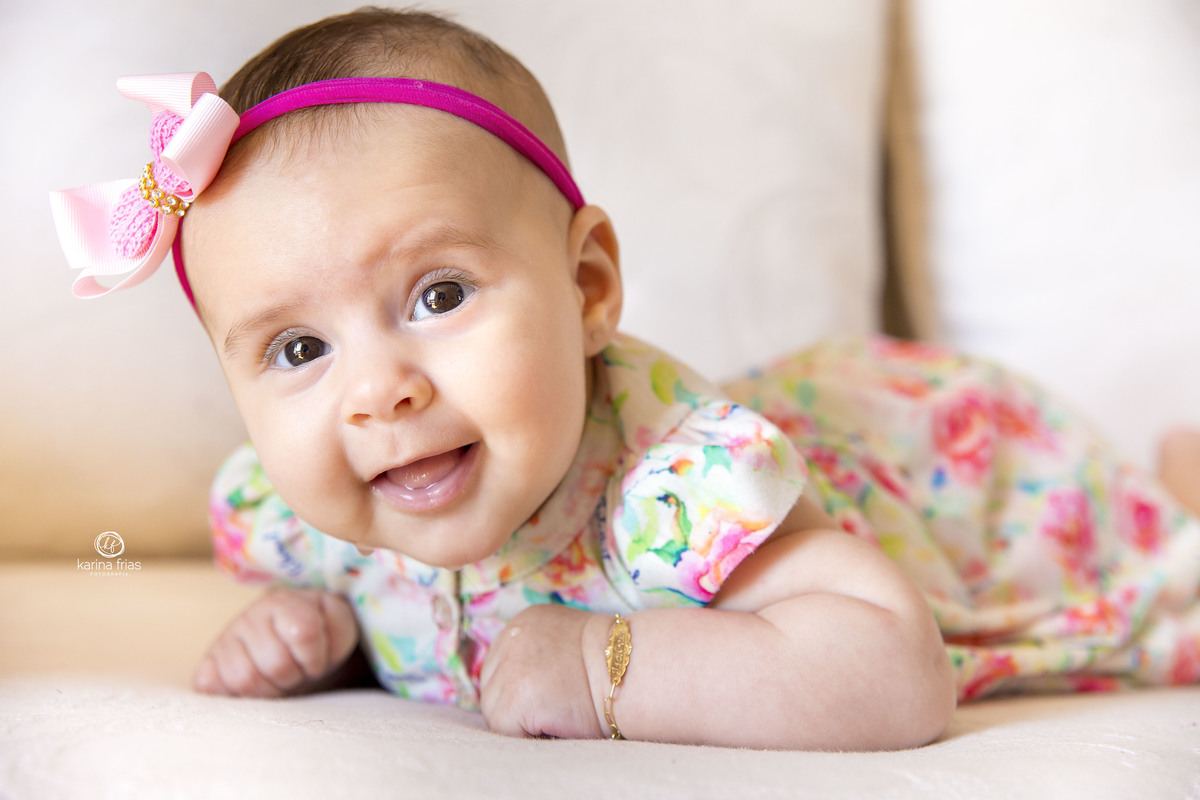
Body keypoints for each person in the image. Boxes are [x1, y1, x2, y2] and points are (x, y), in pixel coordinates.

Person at [49, 8, 1200, 751]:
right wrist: (333, 631)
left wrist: (611, 664)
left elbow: (892, 668)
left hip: (956, 461)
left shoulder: (677, 486)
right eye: (298, 350)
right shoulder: (320, 519)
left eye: (438, 295)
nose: (378, 390)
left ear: (588, 284)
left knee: (1170, 542)